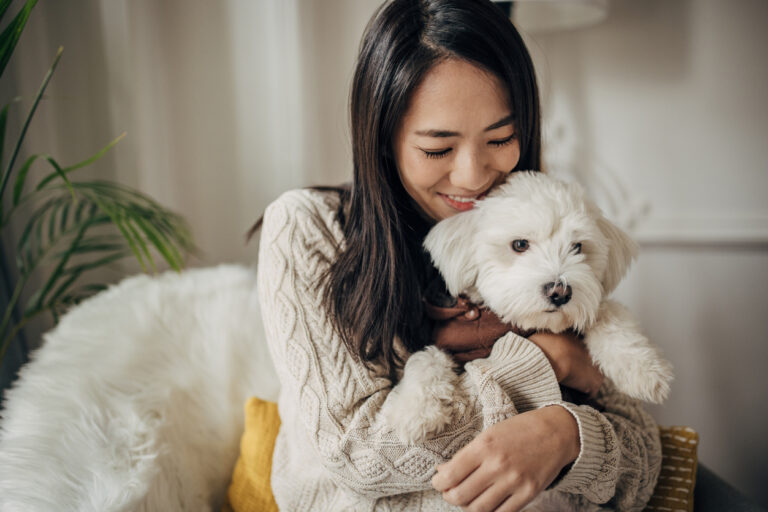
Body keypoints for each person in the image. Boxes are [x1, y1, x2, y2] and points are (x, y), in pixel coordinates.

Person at [254, 0, 662, 510]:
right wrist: (541, 365)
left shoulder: (540, 228)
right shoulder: (307, 225)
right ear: (383, 139)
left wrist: (565, 436)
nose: (473, 177)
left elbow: (643, 459)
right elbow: (358, 453)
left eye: (500, 138)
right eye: (437, 149)